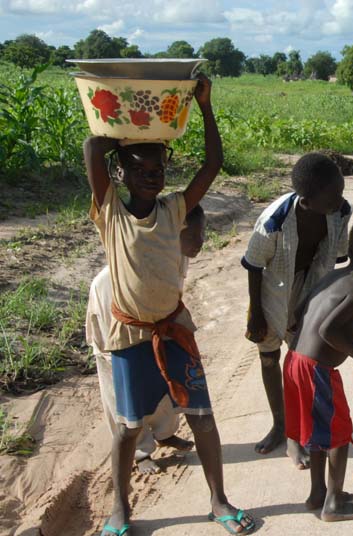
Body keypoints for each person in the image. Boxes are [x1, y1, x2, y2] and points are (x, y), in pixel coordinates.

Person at [84, 74, 255, 536]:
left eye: (158, 169)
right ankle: (120, 509)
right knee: (126, 427)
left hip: (173, 328)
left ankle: (219, 502)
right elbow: (91, 150)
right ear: (122, 175)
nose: (152, 176)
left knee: (202, 416)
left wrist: (204, 106)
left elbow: (213, 163)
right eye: (140, 169)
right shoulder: (111, 214)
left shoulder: (175, 209)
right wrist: (122, 124)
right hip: (129, 335)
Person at [282, 215, 353, 521]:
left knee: (321, 432)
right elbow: (328, 331)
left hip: (295, 360)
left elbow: (299, 311)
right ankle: (333, 504)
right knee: (338, 434)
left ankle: (318, 492)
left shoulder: (333, 277)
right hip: (315, 369)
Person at [241, 152, 350, 469]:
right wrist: (256, 314)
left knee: (301, 356)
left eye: (341, 191)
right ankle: (280, 424)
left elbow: (335, 259)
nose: (340, 199)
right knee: (269, 355)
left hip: (309, 284)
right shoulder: (273, 222)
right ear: (307, 197)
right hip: (272, 289)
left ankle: (297, 431)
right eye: (333, 194)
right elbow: (254, 268)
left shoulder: (339, 212)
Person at [86, 206, 206, 475]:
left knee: (164, 376)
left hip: (153, 321)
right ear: (171, 235)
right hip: (114, 318)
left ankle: (164, 433)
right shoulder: (114, 278)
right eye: (196, 235)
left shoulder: (180, 253)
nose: (202, 241)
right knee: (123, 389)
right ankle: (140, 451)